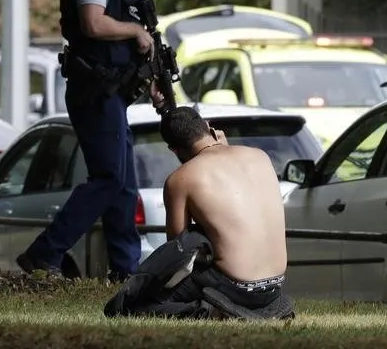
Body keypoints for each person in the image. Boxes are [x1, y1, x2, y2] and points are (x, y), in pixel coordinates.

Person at [16, 0, 156, 282]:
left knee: (124, 185)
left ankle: (126, 271)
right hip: (93, 90)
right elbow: (94, 24)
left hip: (110, 92)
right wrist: (135, 31)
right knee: (109, 178)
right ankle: (44, 254)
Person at [104, 103, 294, 320]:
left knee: (136, 307)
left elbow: (178, 248)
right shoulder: (260, 156)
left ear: (174, 149)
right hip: (275, 287)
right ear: (208, 126)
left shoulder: (180, 179)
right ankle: (258, 310)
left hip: (235, 287)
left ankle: (209, 311)